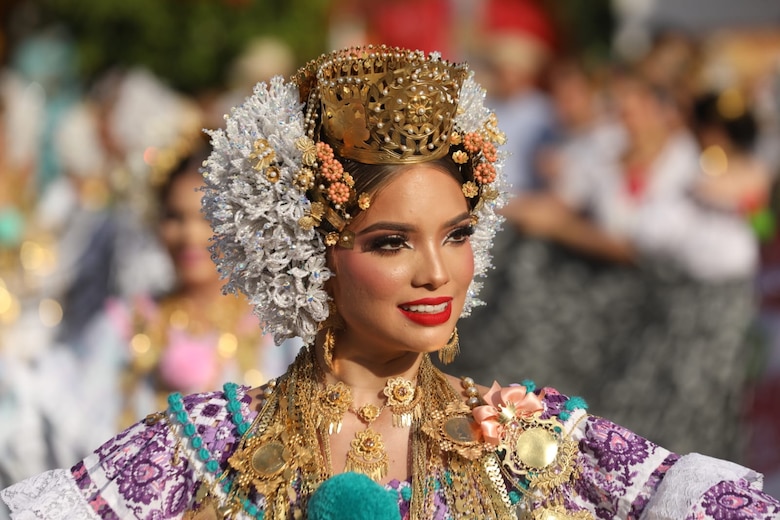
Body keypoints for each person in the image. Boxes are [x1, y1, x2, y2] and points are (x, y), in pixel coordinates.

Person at [2, 45, 778, 519]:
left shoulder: (533, 444)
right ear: (307, 251)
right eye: (391, 241)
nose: (437, 272)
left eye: (459, 234)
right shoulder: (200, 449)